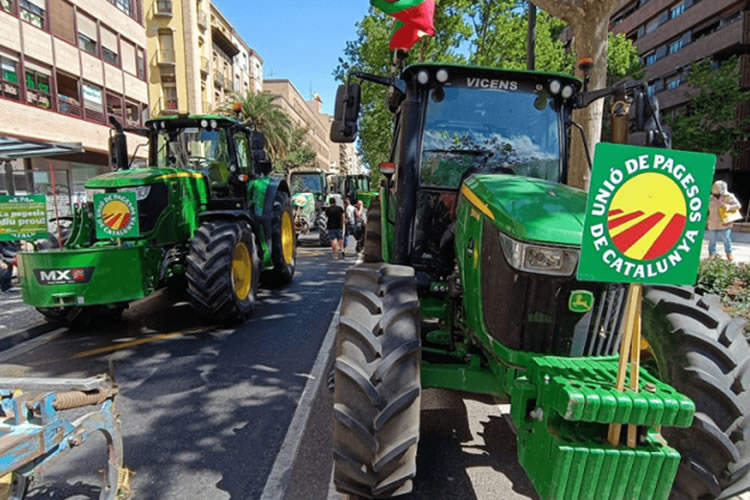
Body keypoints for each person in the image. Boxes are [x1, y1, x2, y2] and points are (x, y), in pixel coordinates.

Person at [707, 180, 742, 261]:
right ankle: (711, 255)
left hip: (725, 222)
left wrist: (729, 207)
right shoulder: (710, 198)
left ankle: (729, 254)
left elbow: (738, 205)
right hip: (713, 222)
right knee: (712, 240)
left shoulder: (729, 196)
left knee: (726, 238)